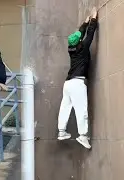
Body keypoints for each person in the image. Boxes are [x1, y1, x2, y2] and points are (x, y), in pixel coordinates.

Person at [57, 7, 98, 149]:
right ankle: (82, 136)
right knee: (81, 110)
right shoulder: (83, 47)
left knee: (65, 107)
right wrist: (93, 18)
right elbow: (90, 34)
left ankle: (61, 131)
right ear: (80, 41)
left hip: (67, 84)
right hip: (77, 83)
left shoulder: (71, 48)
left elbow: (80, 33)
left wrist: (85, 22)